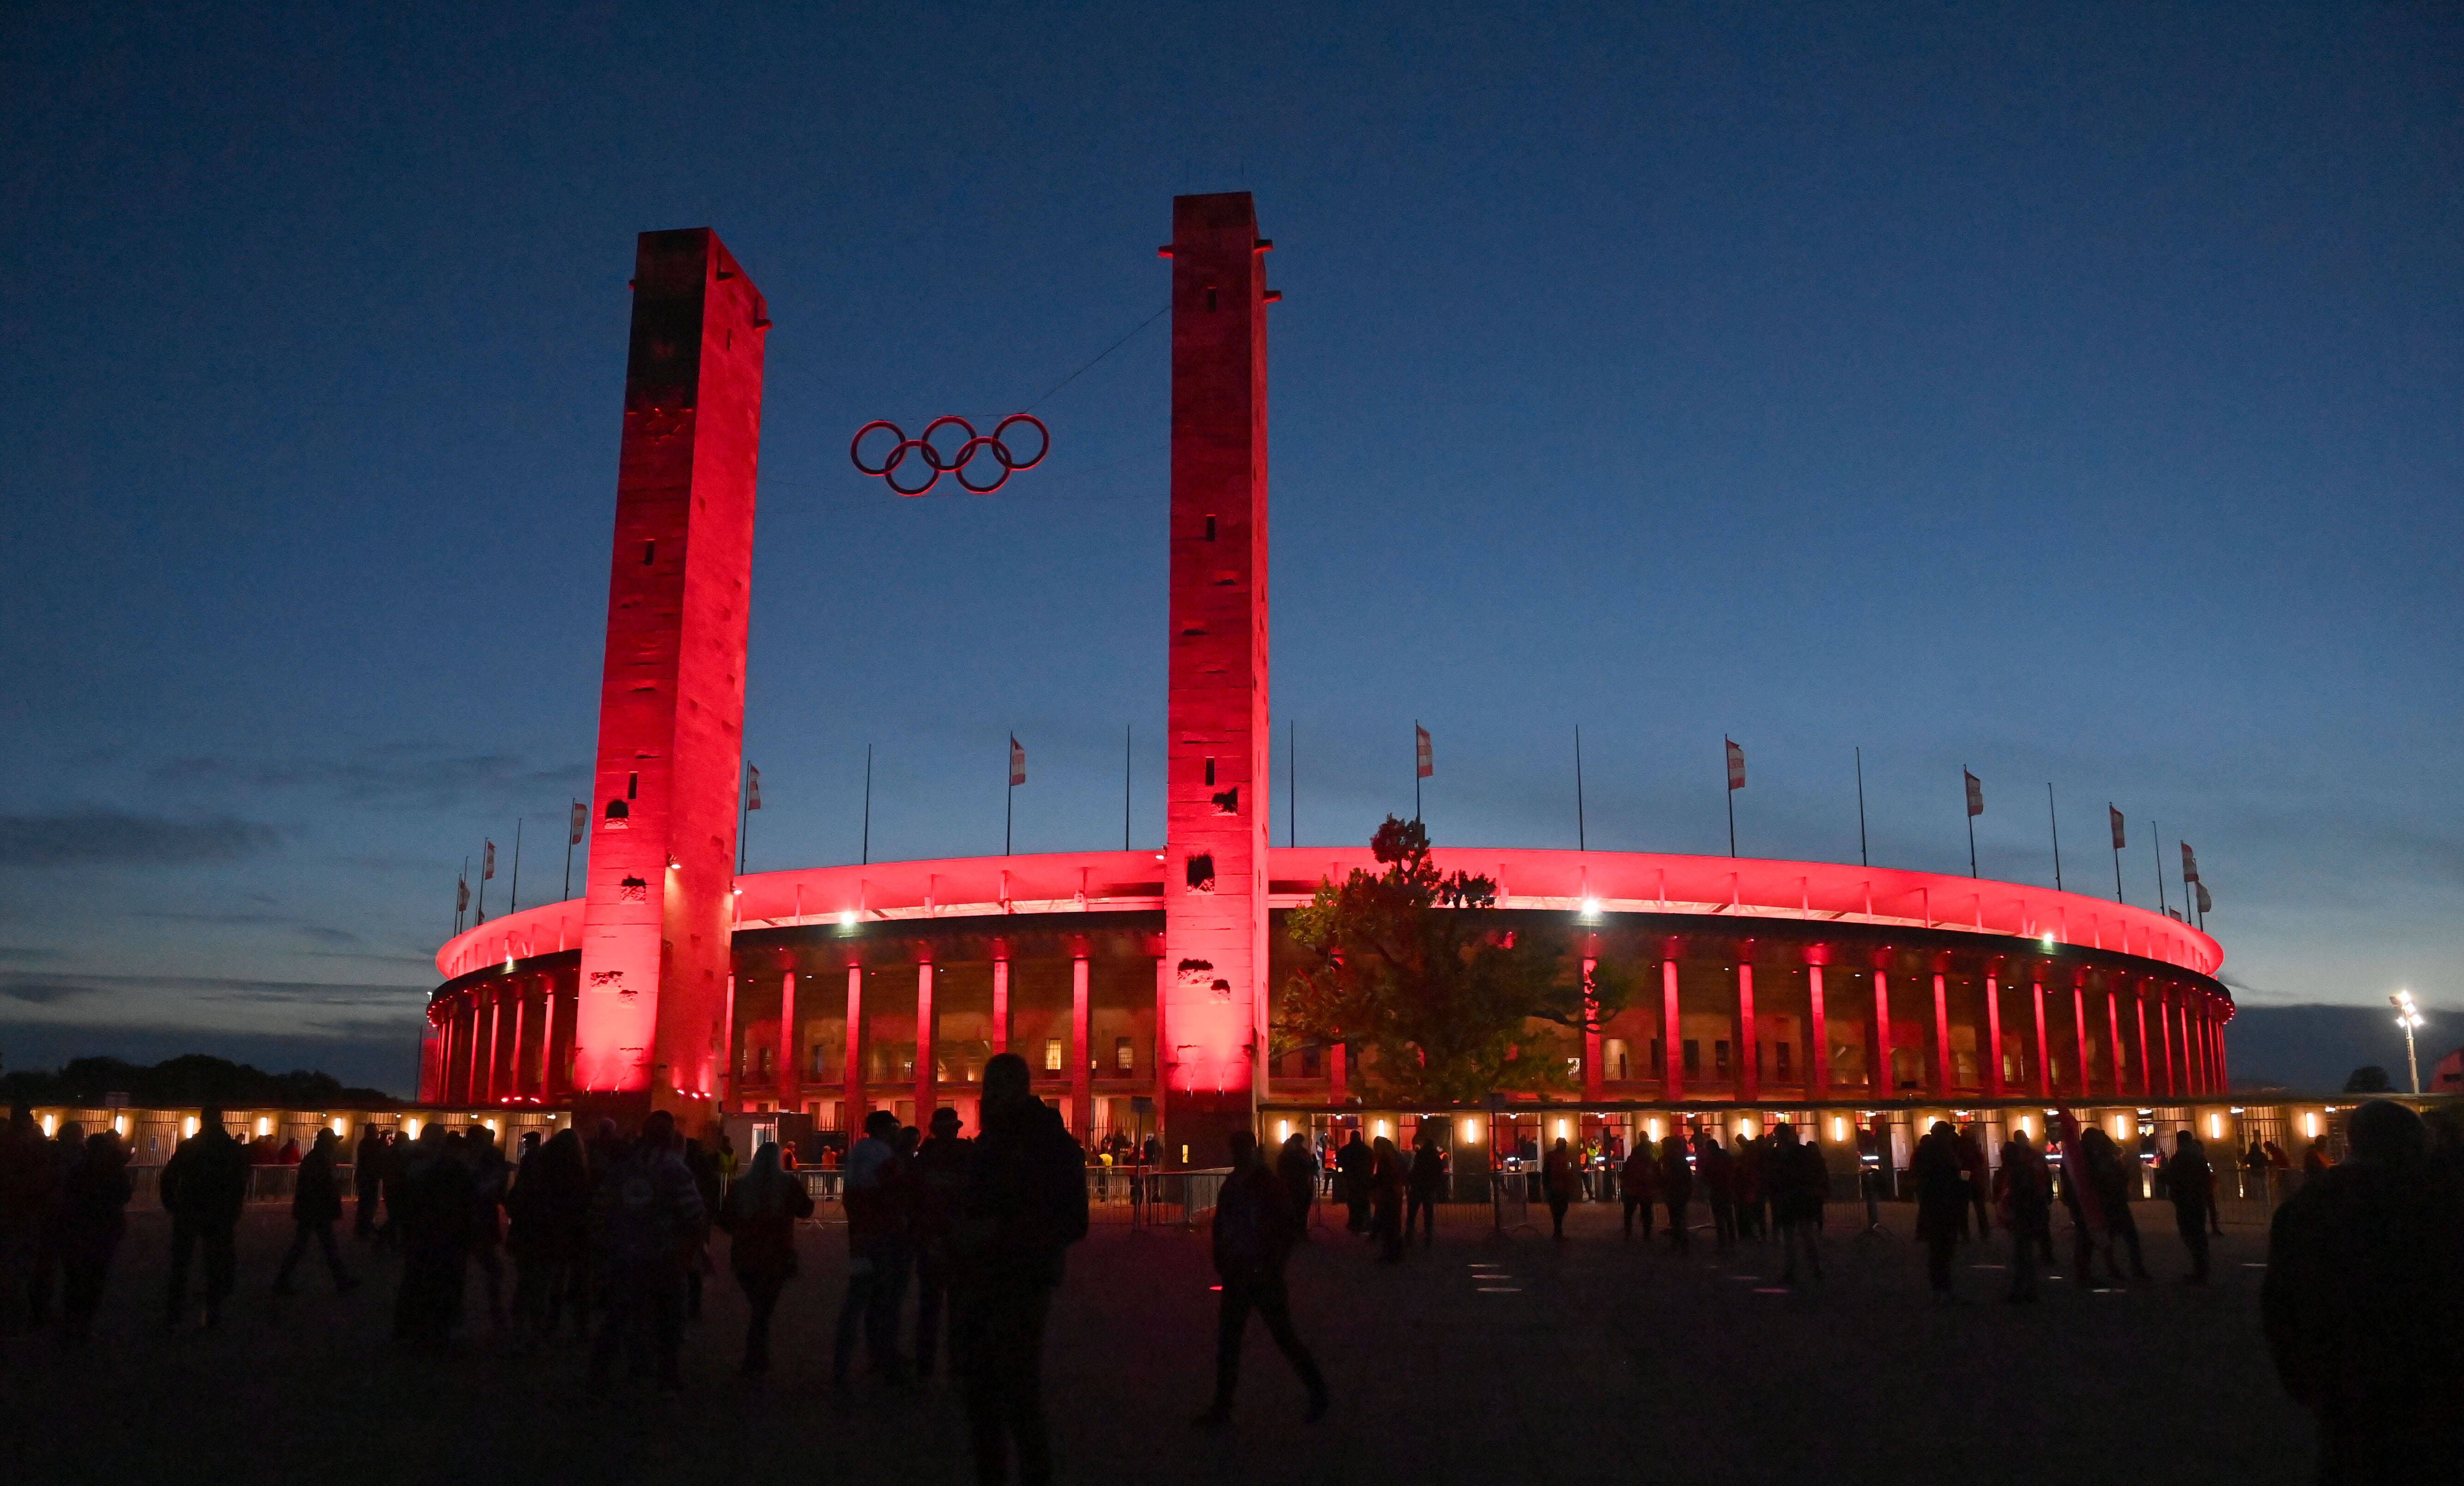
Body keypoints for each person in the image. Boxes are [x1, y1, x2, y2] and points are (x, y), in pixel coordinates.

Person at [2264, 1099, 2464, 1482]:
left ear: (2354, 1142)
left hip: (2348, 1377)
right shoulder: (2441, 1199)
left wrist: (2303, 1377)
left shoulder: (2310, 1207)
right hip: (2437, 1375)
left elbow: (2284, 1302)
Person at [948, 1052, 1088, 1486]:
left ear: (1017, 1089)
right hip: (981, 1279)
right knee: (982, 1400)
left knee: (1017, 1396)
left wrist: (997, 1230)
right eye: (987, 1089)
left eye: (997, 1088)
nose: (989, 1098)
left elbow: (1073, 1221)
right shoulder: (993, 1141)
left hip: (1021, 1280)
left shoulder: (1047, 1144)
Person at [1194, 1128, 1329, 1426]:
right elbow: (1224, 1224)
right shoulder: (1240, 1183)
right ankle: (1223, 1407)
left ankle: (1318, 1391)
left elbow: (1284, 1227)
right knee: (1232, 1341)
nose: (1237, 1155)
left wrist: (1273, 1264)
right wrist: (1223, 1257)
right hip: (1240, 1271)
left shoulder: (1263, 1184)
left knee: (1281, 1336)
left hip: (1260, 1272)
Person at [586, 1110, 705, 1393]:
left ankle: (601, 1373)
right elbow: (694, 1213)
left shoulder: (623, 1167)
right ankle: (667, 1375)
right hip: (663, 1257)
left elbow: (600, 1208)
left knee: (617, 1315)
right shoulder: (675, 1169)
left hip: (623, 1254)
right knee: (671, 1316)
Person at [714, 1140, 813, 1375]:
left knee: (760, 1306)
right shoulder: (787, 1185)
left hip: (745, 1254)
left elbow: (725, 1220)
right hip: (777, 1255)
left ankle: (756, 1358)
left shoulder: (740, 1186)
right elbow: (806, 1210)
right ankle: (756, 1358)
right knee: (764, 1308)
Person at [833, 1109, 912, 1384]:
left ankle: (845, 1362)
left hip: (862, 1236)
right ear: (885, 1129)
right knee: (883, 1300)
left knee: (859, 1299)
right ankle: (882, 1358)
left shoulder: (859, 1153)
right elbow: (895, 1191)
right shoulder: (881, 1156)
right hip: (882, 1235)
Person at [160, 1105, 248, 1330]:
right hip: (219, 1212)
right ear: (221, 1120)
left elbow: (169, 1177)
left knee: (181, 1264)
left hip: (189, 1209)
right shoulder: (231, 1149)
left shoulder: (190, 1146)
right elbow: (240, 1183)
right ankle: (213, 1313)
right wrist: (234, 1209)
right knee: (215, 1264)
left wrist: (172, 1204)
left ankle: (174, 1313)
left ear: (202, 1120)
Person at [392, 1121, 475, 1345]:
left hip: (422, 1230)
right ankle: (436, 1328)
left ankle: (412, 1328)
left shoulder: (412, 1161)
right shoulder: (443, 1166)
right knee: (440, 1281)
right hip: (441, 1231)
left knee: (417, 1280)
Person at [507, 1125, 592, 1341]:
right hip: (554, 1234)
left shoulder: (535, 1164)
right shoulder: (573, 1171)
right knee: (550, 1282)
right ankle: (542, 1328)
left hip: (529, 1231)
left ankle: (520, 1328)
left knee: (527, 1281)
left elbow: (516, 1197)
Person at [911, 1107, 973, 1376]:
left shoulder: (924, 1157)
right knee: (958, 1307)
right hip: (958, 1236)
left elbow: (915, 1199)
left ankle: (925, 1365)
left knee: (930, 1306)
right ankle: (958, 1364)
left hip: (931, 1236)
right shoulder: (966, 1155)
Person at [54, 1128, 132, 1346]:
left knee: (74, 1278)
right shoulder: (113, 1170)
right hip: (104, 1231)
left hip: (78, 1230)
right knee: (95, 1279)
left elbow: (68, 1197)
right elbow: (124, 1196)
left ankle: (70, 1322)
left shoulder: (79, 1170)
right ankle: (85, 1324)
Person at [272, 1127, 358, 1302]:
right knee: (322, 1246)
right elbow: (319, 1184)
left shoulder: (318, 1158)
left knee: (311, 1246)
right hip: (316, 1209)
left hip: (313, 1209)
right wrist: (335, 1187)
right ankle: (341, 1280)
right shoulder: (319, 1159)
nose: (336, 1145)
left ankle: (284, 1280)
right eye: (334, 1142)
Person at [2084, 1125, 2153, 1281]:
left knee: (2111, 1239)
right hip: (2113, 1202)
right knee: (2125, 1238)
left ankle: (2116, 1269)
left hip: (2110, 1202)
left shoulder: (2096, 1158)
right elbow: (2114, 1178)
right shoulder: (2103, 1159)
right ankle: (2132, 1269)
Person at [1912, 1120, 1967, 1300]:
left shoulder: (1928, 1150)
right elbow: (1946, 1176)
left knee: (1939, 1249)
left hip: (1936, 1204)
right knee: (1942, 1249)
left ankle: (1940, 1288)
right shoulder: (1940, 1152)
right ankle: (1943, 1288)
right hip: (1942, 1205)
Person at [1998, 1127, 2052, 1303]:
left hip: (2024, 1215)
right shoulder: (2023, 1167)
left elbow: (2021, 1194)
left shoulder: (2019, 1171)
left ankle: (2025, 1289)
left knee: (2023, 1254)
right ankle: (2028, 1288)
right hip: (2027, 1213)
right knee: (2023, 1253)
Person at [466, 1125, 511, 1327]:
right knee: (493, 1265)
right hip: (482, 1216)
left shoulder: (465, 1158)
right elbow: (496, 1186)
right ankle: (496, 1309)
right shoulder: (492, 1157)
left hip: (472, 1217)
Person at [1769, 1124, 1824, 1284]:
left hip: (1795, 1198)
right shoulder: (1799, 1152)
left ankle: (1801, 1269)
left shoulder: (1778, 1154)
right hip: (1796, 1198)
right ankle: (1809, 1269)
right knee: (1800, 1236)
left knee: (1797, 1237)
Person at [2165, 1129, 2215, 1284]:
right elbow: (2206, 1176)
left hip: (2186, 1200)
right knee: (2199, 1233)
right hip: (2198, 1199)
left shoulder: (2181, 1157)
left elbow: (2172, 1176)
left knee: (2190, 1233)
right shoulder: (2199, 1155)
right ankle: (2202, 1268)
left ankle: (2200, 1270)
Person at [682, 1136, 720, 1322]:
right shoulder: (706, 1172)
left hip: (686, 1223)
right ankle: (694, 1306)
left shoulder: (684, 1170)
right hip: (701, 1222)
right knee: (696, 1262)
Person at [1698, 1130, 1736, 1250]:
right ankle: (1732, 1240)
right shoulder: (1727, 1157)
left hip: (1717, 1190)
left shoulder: (1711, 1160)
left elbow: (1706, 1174)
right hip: (1727, 1189)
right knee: (1729, 1216)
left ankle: (1723, 1243)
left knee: (1720, 1218)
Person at [1370, 1135, 1406, 1260]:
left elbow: (1384, 1176)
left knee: (1389, 1225)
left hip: (1388, 1194)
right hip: (1395, 1193)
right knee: (1394, 1223)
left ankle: (1391, 1254)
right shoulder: (1395, 1155)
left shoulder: (1386, 1158)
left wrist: (1373, 1183)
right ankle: (1396, 1252)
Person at [1276, 1131, 1318, 1239]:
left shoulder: (1284, 1155)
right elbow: (1310, 1169)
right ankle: (1300, 1232)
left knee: (1294, 1211)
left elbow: (1280, 1171)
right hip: (1300, 1186)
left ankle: (1293, 1233)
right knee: (1301, 1211)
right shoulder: (1301, 1155)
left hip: (1291, 1186)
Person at [1406, 1133, 1445, 1246]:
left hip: (1417, 1187)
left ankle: (1409, 1234)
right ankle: (1428, 1235)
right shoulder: (1435, 1157)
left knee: (1412, 1212)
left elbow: (1415, 1169)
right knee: (1428, 1213)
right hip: (1428, 1188)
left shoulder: (1420, 1155)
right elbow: (1439, 1171)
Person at [1659, 1128, 1693, 1252]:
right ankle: (1681, 1243)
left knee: (1677, 1218)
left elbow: (1666, 1176)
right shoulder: (1680, 1160)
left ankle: (1680, 1243)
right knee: (1679, 1218)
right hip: (1679, 1192)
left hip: (1675, 1192)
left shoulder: (1670, 1161)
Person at [1620, 1133, 1659, 1240]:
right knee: (1646, 1212)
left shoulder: (1631, 1161)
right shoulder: (1650, 1161)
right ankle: (1647, 1234)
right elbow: (1656, 1174)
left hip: (1632, 1189)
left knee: (1629, 1213)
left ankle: (1628, 1233)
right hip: (1645, 1190)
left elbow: (1624, 1174)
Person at [1957, 1122, 1992, 1238]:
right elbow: (1981, 1160)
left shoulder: (1959, 1147)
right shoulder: (1974, 1146)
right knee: (1980, 1207)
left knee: (1964, 1208)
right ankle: (1984, 1231)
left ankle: (1965, 1233)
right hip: (1975, 1178)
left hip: (1965, 1177)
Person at [1335, 1129, 1372, 1234]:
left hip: (1351, 1180)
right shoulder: (1367, 1150)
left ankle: (1354, 1223)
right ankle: (1365, 1223)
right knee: (1364, 1201)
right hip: (1364, 1180)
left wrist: (1344, 1174)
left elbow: (1339, 1163)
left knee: (1353, 1202)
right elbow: (1371, 1163)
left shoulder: (1345, 1150)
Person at [1541, 1136, 1577, 1240]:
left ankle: (1558, 1231)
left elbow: (1546, 1172)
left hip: (1558, 1187)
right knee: (1559, 1210)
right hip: (1558, 1187)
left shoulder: (1555, 1156)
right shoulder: (1562, 1157)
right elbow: (1569, 1171)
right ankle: (1558, 1232)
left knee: (1559, 1210)